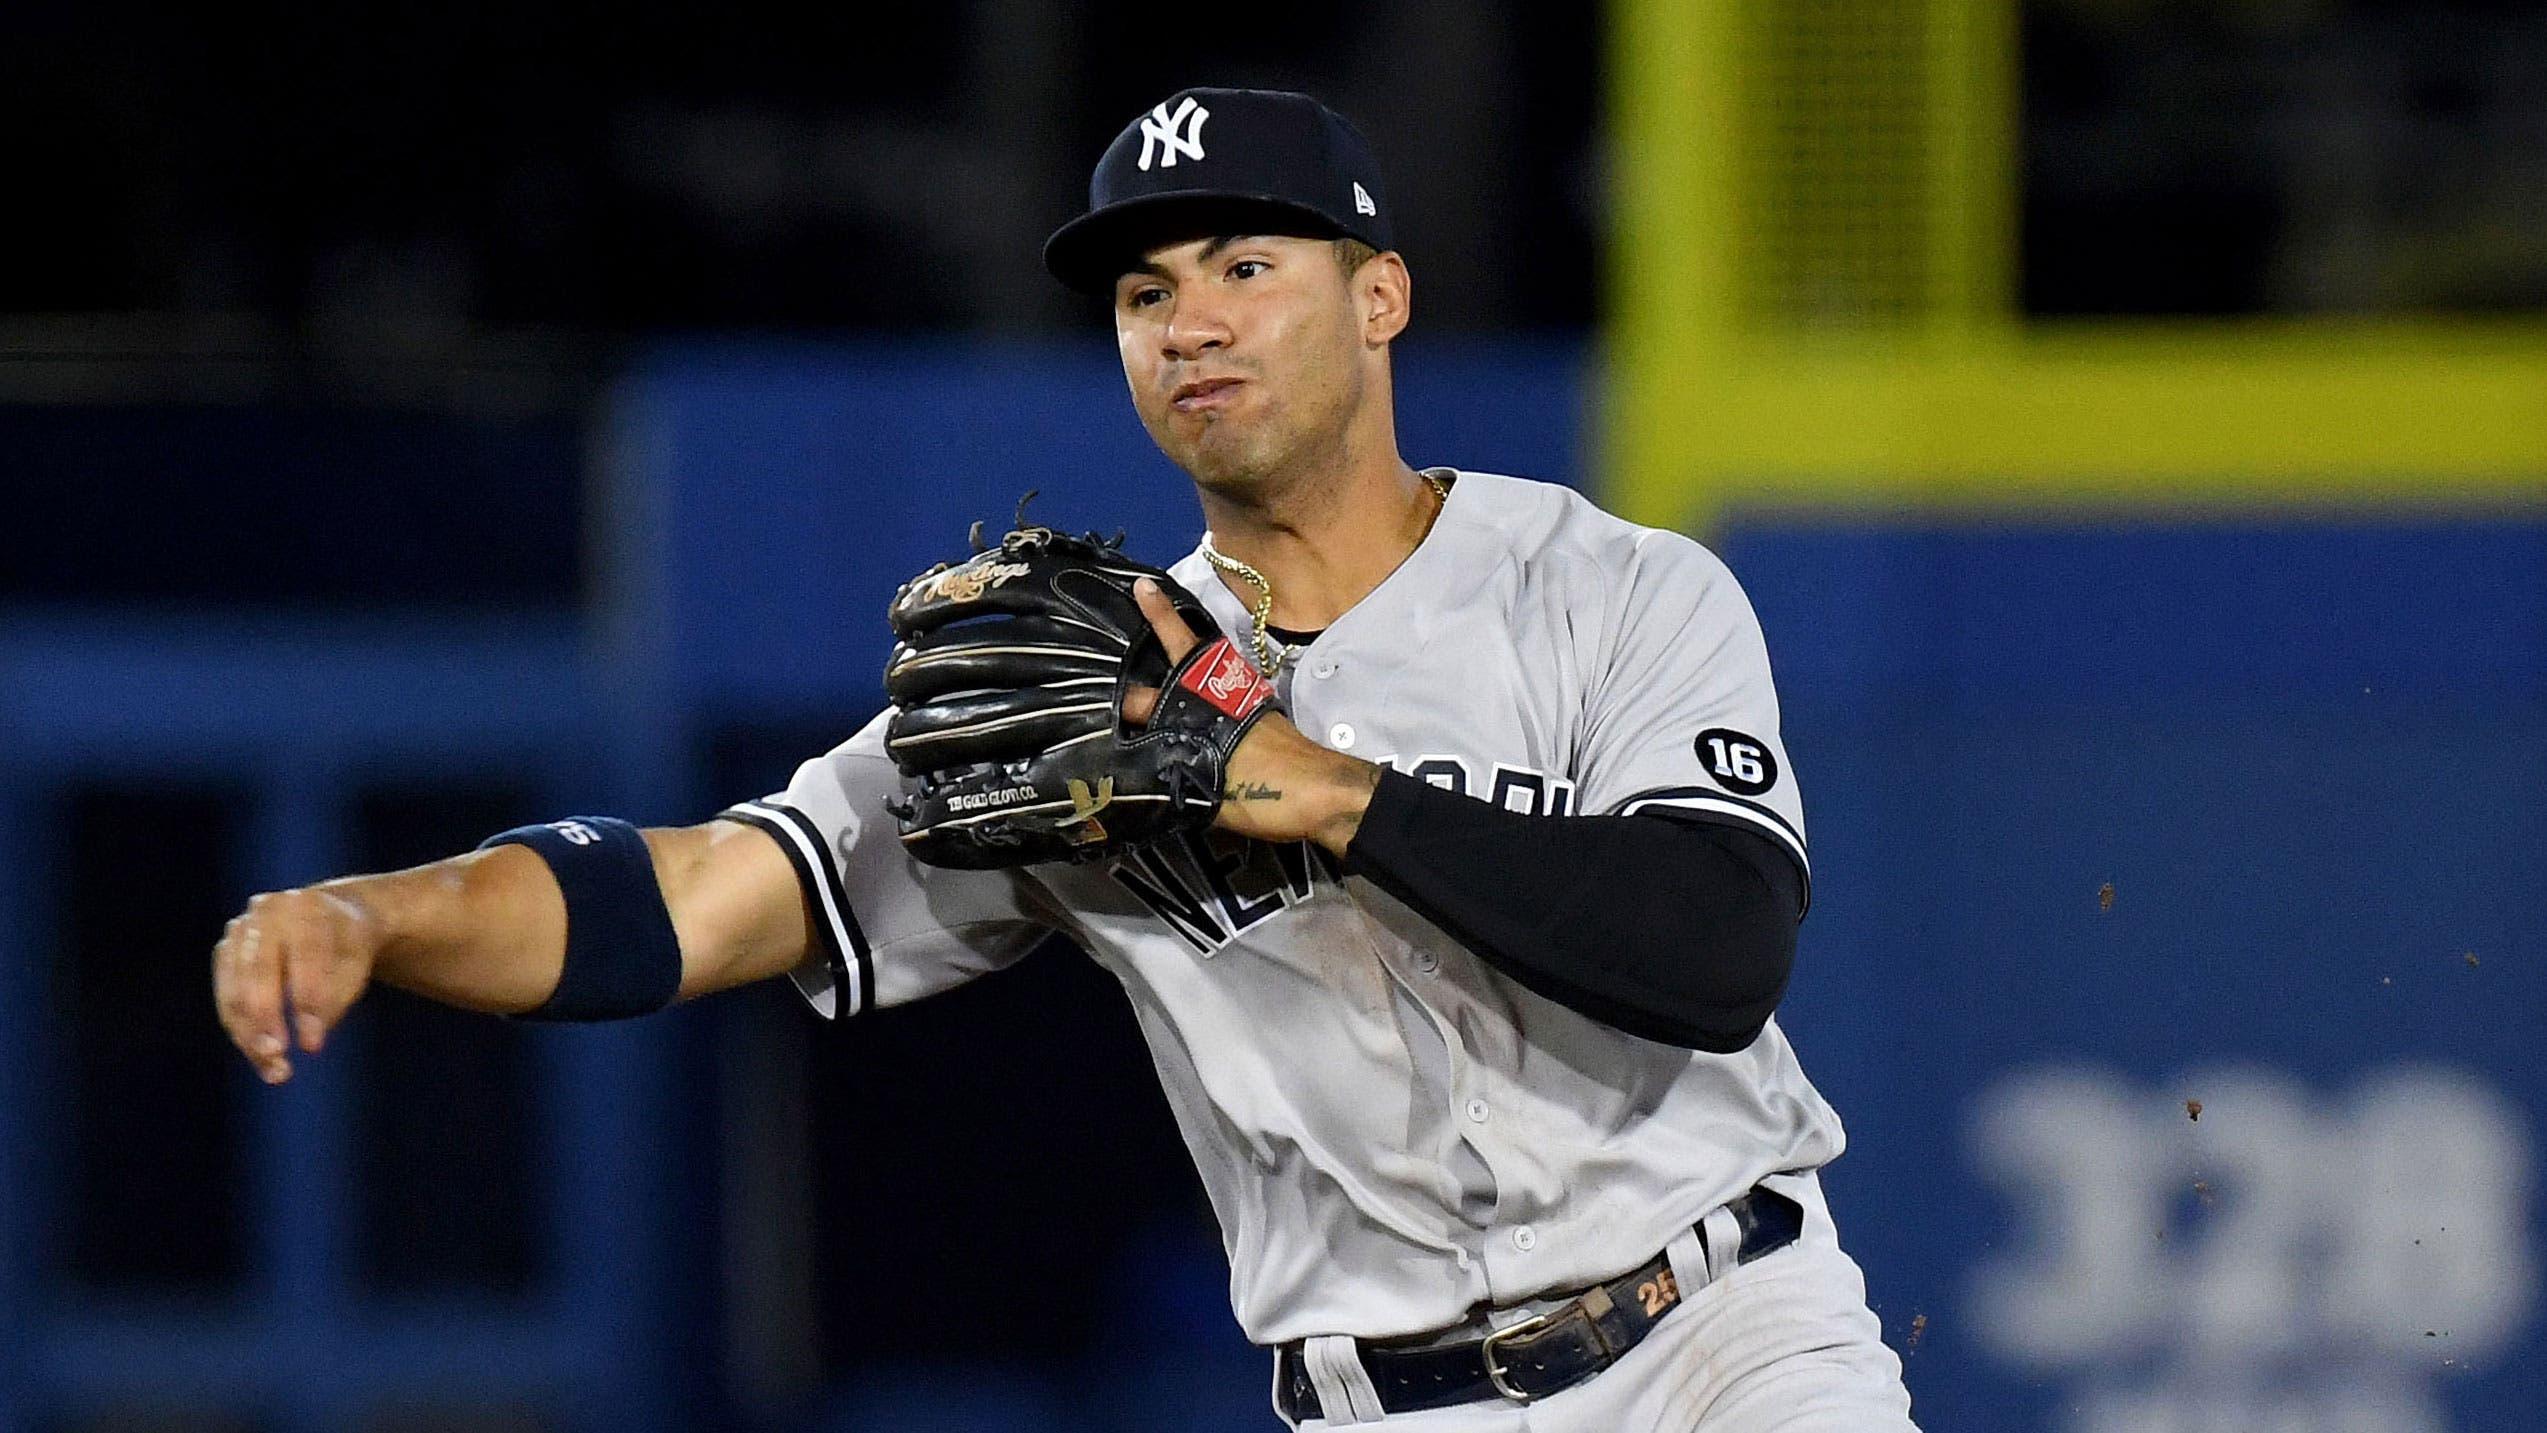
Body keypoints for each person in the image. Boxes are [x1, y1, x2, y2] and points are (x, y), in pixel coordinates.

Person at [212, 87, 1919, 1430]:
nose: (1191, 324)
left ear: (1381, 294)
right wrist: (378, 914)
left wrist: (1304, 787)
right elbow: (693, 895)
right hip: (1389, 1400)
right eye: (1146, 291)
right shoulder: (1076, 695)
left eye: (1248, 266)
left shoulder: (1609, 589)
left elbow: (1717, 945)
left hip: (1726, 1342)